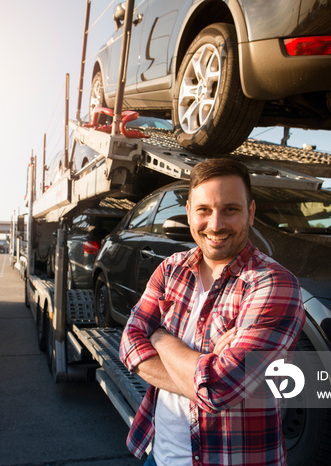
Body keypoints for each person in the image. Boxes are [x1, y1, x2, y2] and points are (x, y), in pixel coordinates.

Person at [119, 158, 305, 465]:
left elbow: (219, 389)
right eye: (204, 210)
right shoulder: (172, 269)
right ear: (190, 212)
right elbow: (129, 344)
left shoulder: (274, 284)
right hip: (159, 454)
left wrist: (161, 338)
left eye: (230, 209)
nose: (215, 224)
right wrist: (203, 374)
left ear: (251, 213)